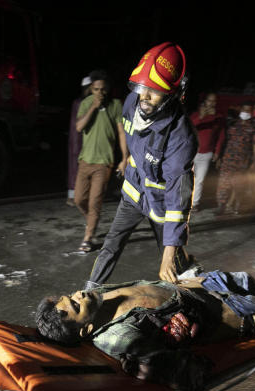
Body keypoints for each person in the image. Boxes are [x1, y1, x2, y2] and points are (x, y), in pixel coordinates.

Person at [37, 270, 255, 391]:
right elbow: (171, 368)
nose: (80, 294)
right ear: (87, 330)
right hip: (229, 311)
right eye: (75, 304)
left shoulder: (96, 298)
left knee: (247, 279)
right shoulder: (117, 337)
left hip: (202, 284)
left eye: (70, 295)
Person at [84, 42, 197, 289]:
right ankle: (90, 292)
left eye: (153, 91)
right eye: (140, 88)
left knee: (173, 264)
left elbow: (179, 198)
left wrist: (168, 254)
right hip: (134, 193)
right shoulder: (131, 103)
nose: (143, 97)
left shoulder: (181, 137)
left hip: (162, 205)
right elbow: (131, 138)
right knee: (111, 243)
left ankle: (194, 294)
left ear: (173, 94)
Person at [73, 69, 126, 252]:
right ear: (91, 89)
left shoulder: (116, 105)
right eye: (96, 89)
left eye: (103, 89)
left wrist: (124, 158)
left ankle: (88, 238)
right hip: (85, 161)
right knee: (79, 200)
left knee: (95, 202)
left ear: (108, 89)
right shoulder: (86, 103)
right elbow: (79, 127)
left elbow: (121, 132)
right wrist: (94, 107)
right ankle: (91, 222)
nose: (100, 93)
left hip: (104, 163)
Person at [215, 102, 255, 215]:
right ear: (240, 110)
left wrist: (254, 163)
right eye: (244, 110)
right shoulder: (233, 124)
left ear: (251, 112)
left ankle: (237, 205)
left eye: (248, 110)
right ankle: (221, 206)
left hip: (242, 161)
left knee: (239, 185)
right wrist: (220, 157)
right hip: (228, 159)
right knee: (223, 183)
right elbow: (226, 142)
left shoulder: (254, 128)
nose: (245, 113)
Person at [189, 92, 224, 211]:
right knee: (187, 178)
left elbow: (221, 136)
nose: (212, 103)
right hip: (191, 152)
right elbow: (189, 128)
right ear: (204, 102)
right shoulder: (195, 115)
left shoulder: (218, 117)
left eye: (214, 101)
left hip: (206, 154)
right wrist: (201, 117)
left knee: (200, 180)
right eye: (210, 100)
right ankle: (182, 201)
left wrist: (217, 152)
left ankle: (195, 203)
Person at [66, 75, 93, 206]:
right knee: (77, 168)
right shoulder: (81, 103)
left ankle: (78, 195)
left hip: (78, 140)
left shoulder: (81, 102)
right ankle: (73, 197)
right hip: (79, 140)